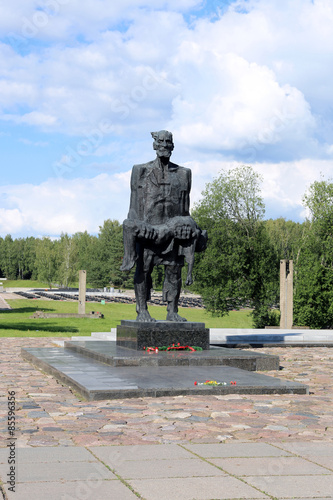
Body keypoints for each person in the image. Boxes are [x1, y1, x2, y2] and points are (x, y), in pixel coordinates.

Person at [121, 130, 207, 322]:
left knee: (174, 270)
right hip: (148, 231)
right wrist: (135, 230)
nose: (165, 146)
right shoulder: (140, 170)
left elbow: (185, 210)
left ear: (173, 146)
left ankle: (172, 311)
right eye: (161, 142)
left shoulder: (184, 174)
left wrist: (191, 227)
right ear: (154, 145)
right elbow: (134, 207)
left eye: (168, 143)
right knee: (143, 269)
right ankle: (142, 310)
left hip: (174, 232)